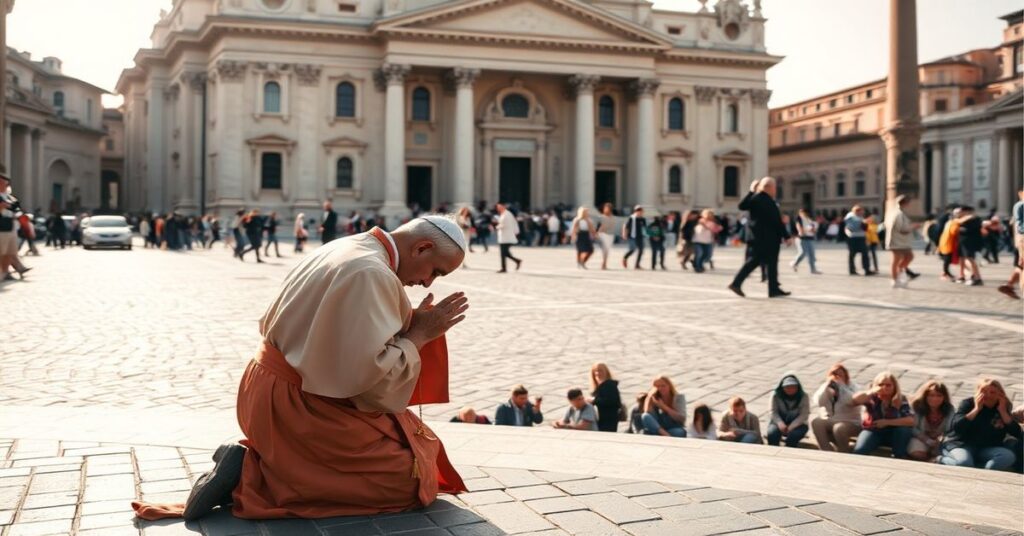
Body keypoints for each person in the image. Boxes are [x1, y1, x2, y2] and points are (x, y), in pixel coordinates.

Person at [148, 216, 470, 522]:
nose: (426, 282)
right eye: (436, 272)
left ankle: (275, 461)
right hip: (298, 405)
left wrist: (408, 321)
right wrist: (420, 334)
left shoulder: (350, 245)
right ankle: (249, 474)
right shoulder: (373, 273)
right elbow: (369, 383)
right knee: (407, 476)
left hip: (264, 388)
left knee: (419, 445)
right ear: (422, 247)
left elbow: (335, 328)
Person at [728, 177, 792, 298]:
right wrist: (751, 191)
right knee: (754, 261)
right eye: (774, 187)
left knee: (770, 263)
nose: (775, 190)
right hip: (765, 238)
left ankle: (773, 289)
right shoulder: (758, 198)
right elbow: (742, 206)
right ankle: (736, 283)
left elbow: (776, 221)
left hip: (765, 238)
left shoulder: (765, 199)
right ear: (768, 187)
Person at [939, 378, 1021, 470]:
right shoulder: (968, 404)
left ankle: (980, 468)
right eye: (983, 391)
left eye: (992, 392)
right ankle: (942, 459)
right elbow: (957, 427)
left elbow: (1016, 432)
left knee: (1008, 456)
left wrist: (1003, 411)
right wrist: (976, 409)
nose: (988, 395)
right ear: (977, 392)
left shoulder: (1003, 406)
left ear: (1000, 394)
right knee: (964, 463)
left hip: (987, 448)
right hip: (962, 445)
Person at [851, 372, 914, 459]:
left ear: (894, 386)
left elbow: (910, 420)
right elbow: (855, 400)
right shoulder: (871, 398)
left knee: (903, 430)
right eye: (881, 384)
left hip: (893, 433)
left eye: (888, 385)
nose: (884, 388)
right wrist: (871, 391)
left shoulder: (900, 399)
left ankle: (899, 457)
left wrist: (887, 422)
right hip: (873, 431)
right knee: (860, 451)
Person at [810, 363, 861, 453]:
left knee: (838, 428)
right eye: (834, 374)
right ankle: (826, 450)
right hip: (833, 419)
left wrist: (842, 386)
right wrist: (826, 387)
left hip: (851, 422)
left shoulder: (854, 387)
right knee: (816, 422)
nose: (837, 377)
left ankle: (844, 452)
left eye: (840, 375)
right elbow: (818, 401)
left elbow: (851, 401)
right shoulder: (827, 387)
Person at [907, 380, 954, 462]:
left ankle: (936, 458)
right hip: (921, 437)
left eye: (939, 395)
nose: (935, 399)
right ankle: (929, 459)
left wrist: (940, 439)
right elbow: (913, 428)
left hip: (940, 440)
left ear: (944, 397)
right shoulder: (917, 406)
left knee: (943, 451)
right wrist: (927, 440)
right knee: (916, 452)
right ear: (925, 396)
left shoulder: (949, 409)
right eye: (931, 395)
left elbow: (949, 429)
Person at [885, 195, 919, 289]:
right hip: (897, 241)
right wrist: (913, 227)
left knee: (909, 257)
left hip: (901, 241)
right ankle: (895, 280)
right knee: (896, 261)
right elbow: (902, 228)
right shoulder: (898, 214)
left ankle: (899, 273)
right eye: (908, 202)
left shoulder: (896, 212)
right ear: (905, 203)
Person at [767, 373, 809, 447]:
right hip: (778, 421)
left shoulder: (803, 396)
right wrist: (780, 423)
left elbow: (804, 415)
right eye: (787, 387)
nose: (790, 389)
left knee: (793, 436)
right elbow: (773, 412)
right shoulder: (775, 395)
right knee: (772, 434)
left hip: (798, 423)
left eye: (793, 387)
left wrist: (791, 426)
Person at [998, 191, 1024, 299]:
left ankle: (1009, 285)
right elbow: (1019, 227)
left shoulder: (1018, 206)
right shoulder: (1020, 205)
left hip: (1019, 241)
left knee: (1021, 266)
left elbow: (1014, 225)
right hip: (1021, 240)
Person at [0, 172, 25, 281]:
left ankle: (6, 272)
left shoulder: (9, 197)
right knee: (1, 251)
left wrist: (8, 206)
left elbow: (16, 207)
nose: (4, 185)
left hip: (10, 225)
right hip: (1, 226)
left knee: (10, 252)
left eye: (6, 183)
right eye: (2, 183)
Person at [589, 363, 621, 433]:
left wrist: (593, 400)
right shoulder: (598, 387)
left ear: (606, 372)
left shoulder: (609, 385)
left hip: (609, 419)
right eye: (595, 371)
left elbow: (612, 401)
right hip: (601, 419)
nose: (598, 373)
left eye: (600, 370)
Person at [957, 206, 984, 286]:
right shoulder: (965, 219)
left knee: (970, 259)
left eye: (961, 212)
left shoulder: (974, 219)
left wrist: (960, 229)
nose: (960, 213)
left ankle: (977, 278)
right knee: (967, 259)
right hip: (965, 242)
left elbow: (971, 230)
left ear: (966, 211)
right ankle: (973, 276)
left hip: (969, 242)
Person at [844, 205, 874, 276]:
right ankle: (852, 270)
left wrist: (865, 223)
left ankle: (866, 269)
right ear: (857, 211)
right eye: (861, 211)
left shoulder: (860, 218)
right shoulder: (850, 218)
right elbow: (852, 227)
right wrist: (862, 222)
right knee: (852, 254)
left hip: (861, 237)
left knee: (865, 254)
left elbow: (864, 228)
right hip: (853, 238)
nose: (862, 212)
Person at [791, 208, 820, 274]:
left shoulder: (810, 220)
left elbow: (814, 230)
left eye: (804, 212)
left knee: (812, 254)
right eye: (801, 212)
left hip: (810, 239)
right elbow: (800, 231)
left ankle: (813, 269)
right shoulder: (799, 219)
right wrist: (807, 230)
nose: (803, 214)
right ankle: (794, 263)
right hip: (802, 239)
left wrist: (813, 230)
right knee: (803, 253)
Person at [495, 203, 522, 273]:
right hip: (505, 237)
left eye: (499, 207)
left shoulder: (507, 214)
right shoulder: (505, 214)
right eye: (497, 207)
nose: (498, 209)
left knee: (504, 253)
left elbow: (504, 224)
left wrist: (497, 227)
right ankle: (516, 261)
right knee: (505, 253)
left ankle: (504, 267)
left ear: (503, 207)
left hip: (506, 237)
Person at [596, 203, 616, 270]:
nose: (605, 209)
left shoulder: (612, 217)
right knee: (604, 250)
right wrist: (598, 233)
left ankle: (604, 263)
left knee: (607, 250)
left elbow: (611, 226)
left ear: (610, 209)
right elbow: (599, 226)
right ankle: (603, 264)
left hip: (610, 235)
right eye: (605, 208)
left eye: (607, 208)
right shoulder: (601, 217)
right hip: (603, 235)